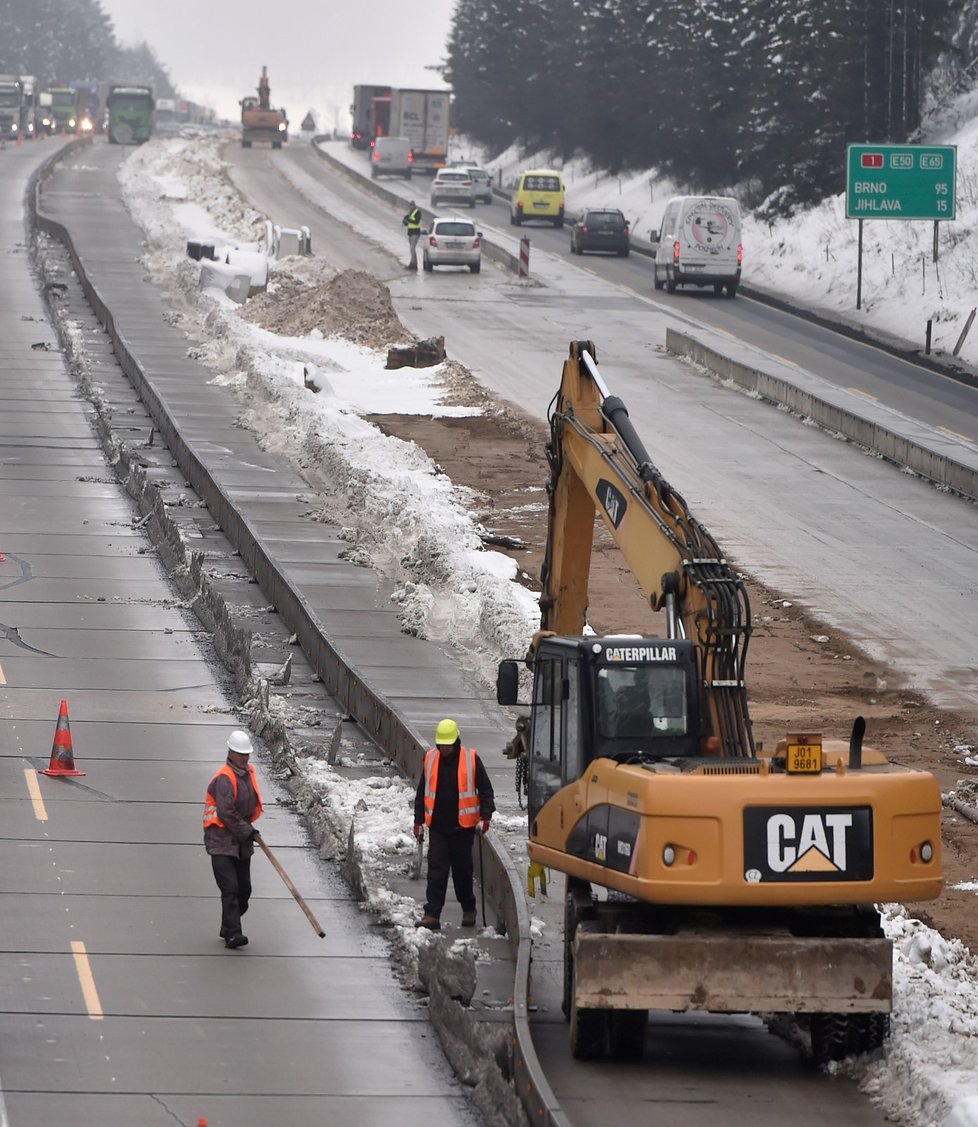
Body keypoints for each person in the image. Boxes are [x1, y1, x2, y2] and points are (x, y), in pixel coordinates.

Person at [413, 718, 495, 930]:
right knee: (436, 871)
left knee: (462, 872)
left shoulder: (471, 759)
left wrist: (486, 816)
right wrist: (418, 820)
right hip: (438, 827)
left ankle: (469, 908)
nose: (444, 749)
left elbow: (485, 790)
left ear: (456, 741)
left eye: (448, 745)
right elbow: (422, 792)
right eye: (441, 745)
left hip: (462, 829)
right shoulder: (431, 759)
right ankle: (432, 914)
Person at [203, 729, 263, 949]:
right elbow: (226, 812)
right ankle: (233, 935)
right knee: (230, 888)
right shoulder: (224, 779)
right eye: (241, 754)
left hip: (241, 841)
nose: (245, 758)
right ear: (231, 753)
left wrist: (249, 831)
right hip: (220, 841)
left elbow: (245, 806)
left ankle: (228, 925)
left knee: (244, 889)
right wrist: (247, 831)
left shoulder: (248, 774)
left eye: (247, 754)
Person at [402, 200, 422, 270]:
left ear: (414, 206)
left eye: (411, 205)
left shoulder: (418, 212)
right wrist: (405, 221)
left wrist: (408, 220)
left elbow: (416, 222)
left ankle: (413, 264)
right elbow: (408, 223)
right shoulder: (410, 212)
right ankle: (414, 263)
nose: (410, 207)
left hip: (415, 232)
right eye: (410, 205)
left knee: (412, 248)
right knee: (411, 249)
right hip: (410, 232)